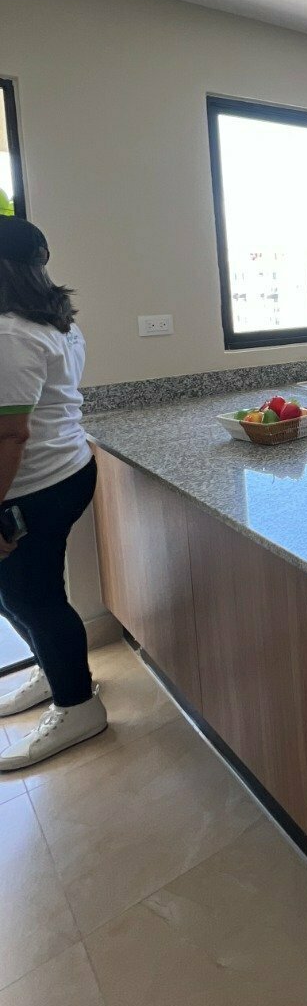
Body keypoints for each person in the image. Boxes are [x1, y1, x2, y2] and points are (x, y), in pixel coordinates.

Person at [0, 218, 106, 769]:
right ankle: (55, 670)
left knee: (30, 597)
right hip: (65, 469)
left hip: (33, 484)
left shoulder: (11, 334)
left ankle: (77, 703)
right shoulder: (54, 321)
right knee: (25, 593)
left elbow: (11, 435)